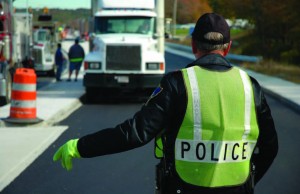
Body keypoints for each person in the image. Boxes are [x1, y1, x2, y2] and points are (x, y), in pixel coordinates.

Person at [53, 13, 278, 194]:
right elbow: (270, 146)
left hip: (183, 188)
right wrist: (248, 180)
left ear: (193, 45)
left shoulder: (178, 83)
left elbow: (134, 133)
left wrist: (80, 147)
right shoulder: (251, 85)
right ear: (228, 47)